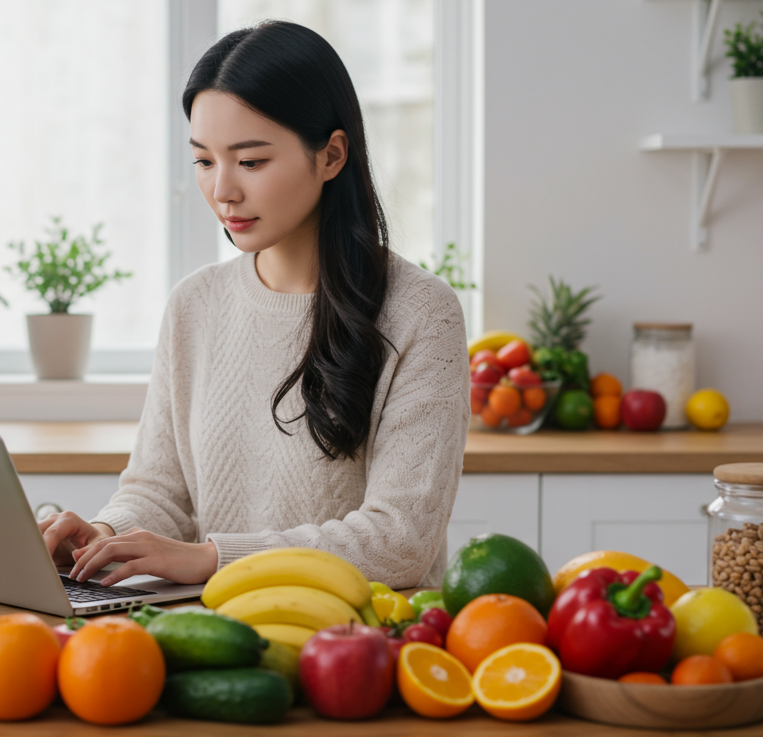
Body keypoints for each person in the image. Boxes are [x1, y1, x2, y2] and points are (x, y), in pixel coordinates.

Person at [37, 20, 469, 591]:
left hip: (359, 633)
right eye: (204, 161)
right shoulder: (195, 304)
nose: (223, 191)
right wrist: (103, 535)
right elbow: (160, 492)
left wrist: (213, 558)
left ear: (331, 155)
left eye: (251, 161)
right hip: (212, 626)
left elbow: (400, 541)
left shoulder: (421, 313)